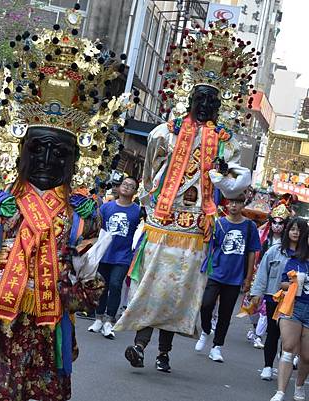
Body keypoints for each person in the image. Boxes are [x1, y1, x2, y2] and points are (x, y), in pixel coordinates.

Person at [0, 8, 130, 400]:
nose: (47, 161)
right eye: (38, 150)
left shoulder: (83, 214)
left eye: (59, 153)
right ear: (21, 152)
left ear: (75, 161)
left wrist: (67, 288)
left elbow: (91, 279)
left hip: (49, 326)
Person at [115, 21, 257, 374]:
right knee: (154, 286)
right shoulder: (166, 132)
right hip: (164, 221)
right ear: (189, 99)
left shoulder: (225, 142)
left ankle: (162, 351)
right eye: (200, 99)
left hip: (196, 228)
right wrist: (151, 199)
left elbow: (236, 184)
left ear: (220, 105)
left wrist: (222, 172)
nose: (205, 105)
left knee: (179, 293)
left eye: (212, 100)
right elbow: (149, 174)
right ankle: (140, 344)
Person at [194, 192, 261, 361]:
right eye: (231, 202)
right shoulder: (219, 223)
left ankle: (217, 346)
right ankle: (206, 329)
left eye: (237, 203)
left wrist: (248, 278)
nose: (233, 206)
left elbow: (252, 252)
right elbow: (209, 246)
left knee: (225, 313)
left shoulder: (249, 226)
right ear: (226, 204)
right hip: (216, 272)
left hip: (235, 277)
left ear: (243, 205)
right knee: (206, 304)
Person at [251, 217, 305, 381]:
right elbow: (262, 272)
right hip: (274, 297)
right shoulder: (275, 250)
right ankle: (268, 366)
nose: (296, 233)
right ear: (287, 231)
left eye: (299, 230)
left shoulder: (306, 255)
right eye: (293, 229)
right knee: (273, 333)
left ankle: (284, 365)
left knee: (290, 338)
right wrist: (257, 294)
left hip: (297, 302)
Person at [88, 177, 141, 339]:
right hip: (105, 253)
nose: (126, 187)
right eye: (124, 184)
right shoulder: (106, 207)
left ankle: (109, 320)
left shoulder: (137, 211)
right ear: (119, 188)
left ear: (134, 191)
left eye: (131, 186)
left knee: (116, 284)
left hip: (123, 255)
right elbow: (97, 228)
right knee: (102, 285)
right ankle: (98, 318)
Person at [270, 223, 309, 401]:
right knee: (287, 347)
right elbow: (282, 283)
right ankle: (280, 392)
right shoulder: (295, 259)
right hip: (293, 305)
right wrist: (295, 283)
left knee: (307, 356)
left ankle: (299, 386)